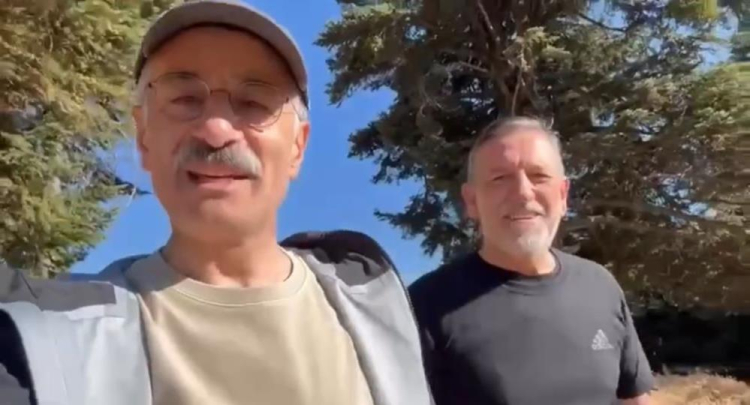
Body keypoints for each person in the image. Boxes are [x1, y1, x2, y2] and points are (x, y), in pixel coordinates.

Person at [0, 1, 432, 404]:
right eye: (184, 99)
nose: (216, 130)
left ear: (297, 147)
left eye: (253, 102)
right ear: (144, 137)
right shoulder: (46, 345)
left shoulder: (384, 316)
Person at [408, 117, 655, 405]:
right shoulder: (424, 306)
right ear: (472, 201)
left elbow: (633, 399)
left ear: (563, 195)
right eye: (500, 178)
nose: (523, 192)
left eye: (539, 176)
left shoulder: (600, 286)